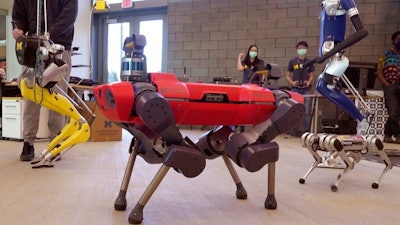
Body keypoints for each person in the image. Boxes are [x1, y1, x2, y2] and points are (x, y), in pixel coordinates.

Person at [12, 0, 78, 161]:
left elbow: (69, 15)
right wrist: (18, 28)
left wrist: (49, 35)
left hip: (59, 46)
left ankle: (56, 141)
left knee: (58, 95)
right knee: (31, 94)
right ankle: (28, 142)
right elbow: (19, 15)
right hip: (33, 47)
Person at [285, 41, 315, 134]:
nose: (301, 50)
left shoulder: (309, 62)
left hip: (306, 90)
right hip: (295, 89)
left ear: (306, 49)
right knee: (294, 110)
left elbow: (311, 76)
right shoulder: (292, 62)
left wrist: (308, 82)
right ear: (297, 49)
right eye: (300, 48)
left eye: (303, 48)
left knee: (305, 111)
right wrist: (292, 82)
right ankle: (291, 130)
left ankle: (305, 131)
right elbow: (287, 75)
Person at [376, 31, 400, 144]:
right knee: (393, 112)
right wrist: (387, 84)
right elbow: (379, 72)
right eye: (398, 39)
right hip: (390, 85)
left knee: (397, 113)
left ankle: (388, 134)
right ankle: (398, 135)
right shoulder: (384, 55)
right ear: (393, 41)